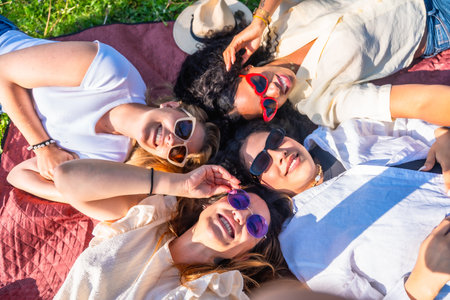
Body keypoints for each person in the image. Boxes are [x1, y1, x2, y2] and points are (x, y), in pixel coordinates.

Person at [217, 119, 450, 298]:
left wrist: (442, 136)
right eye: (262, 163)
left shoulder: (340, 135)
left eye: (275, 141)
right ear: (262, 188)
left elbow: (411, 123)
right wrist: (421, 285)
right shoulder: (302, 244)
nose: (280, 154)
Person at [0, 16, 219, 202]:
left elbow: (18, 175)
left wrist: (71, 190)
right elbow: (2, 71)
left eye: (177, 153)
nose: (173, 142)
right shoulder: (110, 72)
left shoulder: (110, 156)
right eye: (183, 130)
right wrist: (44, 148)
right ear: (171, 106)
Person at [175, 0, 450, 128]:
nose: (274, 93)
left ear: (245, 69)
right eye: (268, 107)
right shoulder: (318, 103)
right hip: (436, 21)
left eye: (258, 85)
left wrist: (260, 20)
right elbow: (418, 103)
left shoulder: (273, 30)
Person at [51, 160, 293, 299]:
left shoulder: (214, 292)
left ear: (246, 255)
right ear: (214, 200)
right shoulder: (150, 219)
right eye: (239, 201)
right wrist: (181, 184)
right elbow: (66, 177)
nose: (240, 215)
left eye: (255, 225)